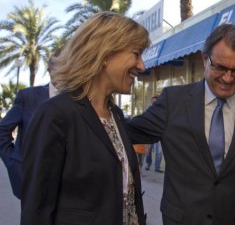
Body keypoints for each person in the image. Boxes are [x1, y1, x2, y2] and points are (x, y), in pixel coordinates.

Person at [128, 23, 235, 224]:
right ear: (205, 59)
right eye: (220, 67)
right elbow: (125, 132)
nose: (228, 78)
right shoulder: (173, 102)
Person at [20, 12, 150, 225]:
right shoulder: (56, 115)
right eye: (136, 53)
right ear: (105, 53)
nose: (142, 66)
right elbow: (37, 210)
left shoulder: (115, 115)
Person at [0, 57, 58, 199]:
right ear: (50, 69)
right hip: (34, 188)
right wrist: (14, 162)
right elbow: (2, 131)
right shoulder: (29, 97)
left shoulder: (81, 100)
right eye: (61, 65)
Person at [144, 95, 164, 173]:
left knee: (159, 152)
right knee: (148, 151)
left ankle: (157, 168)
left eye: (155, 101)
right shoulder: (149, 111)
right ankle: (148, 164)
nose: (154, 103)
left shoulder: (163, 111)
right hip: (150, 133)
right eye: (152, 102)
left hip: (159, 133)